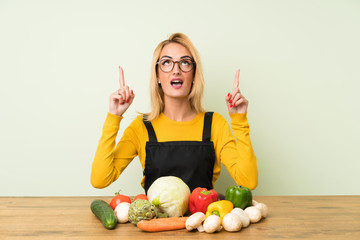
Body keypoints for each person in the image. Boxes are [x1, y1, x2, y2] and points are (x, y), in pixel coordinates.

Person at [91, 33, 258, 193]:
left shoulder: (215, 124)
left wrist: (239, 119)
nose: (176, 70)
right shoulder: (141, 127)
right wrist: (114, 116)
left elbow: (248, 181)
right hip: (156, 221)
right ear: (157, 74)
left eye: (185, 62)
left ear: (194, 74)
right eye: (166, 62)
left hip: (202, 221)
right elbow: (100, 180)